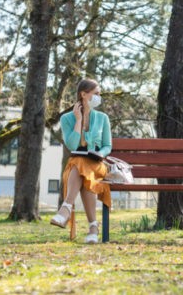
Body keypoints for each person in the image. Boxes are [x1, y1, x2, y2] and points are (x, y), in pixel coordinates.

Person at [50, 79, 112, 244]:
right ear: (83, 94)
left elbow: (108, 146)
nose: (99, 97)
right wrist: (78, 121)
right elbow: (71, 145)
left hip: (97, 163)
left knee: (81, 167)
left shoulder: (102, 118)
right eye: (96, 94)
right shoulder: (66, 119)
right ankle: (93, 227)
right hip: (78, 164)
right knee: (81, 168)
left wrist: (100, 153)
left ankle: (65, 209)